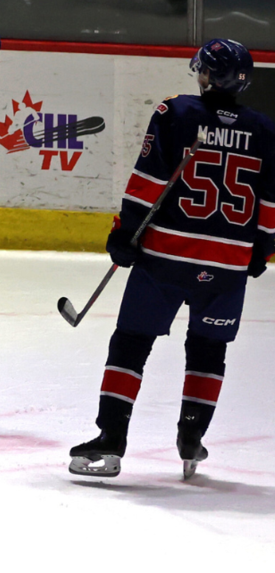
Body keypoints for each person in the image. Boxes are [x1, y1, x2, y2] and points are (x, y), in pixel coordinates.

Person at [69, 38, 275, 480]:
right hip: (227, 265)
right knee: (208, 350)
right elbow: (271, 200)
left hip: (166, 256)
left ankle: (111, 439)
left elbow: (148, 179)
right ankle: (191, 436)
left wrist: (125, 232)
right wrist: (261, 251)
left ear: (206, 74)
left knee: (131, 342)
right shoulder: (265, 130)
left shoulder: (176, 112)